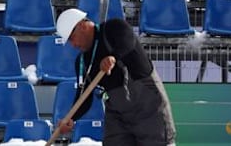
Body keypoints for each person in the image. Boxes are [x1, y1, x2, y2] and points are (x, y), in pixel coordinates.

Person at [54, 8, 176, 145]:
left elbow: (127, 43)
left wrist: (113, 57)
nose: (74, 44)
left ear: (82, 25)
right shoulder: (82, 62)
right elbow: (84, 95)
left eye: (72, 38)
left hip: (147, 105)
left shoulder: (113, 28)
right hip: (119, 113)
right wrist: (71, 118)